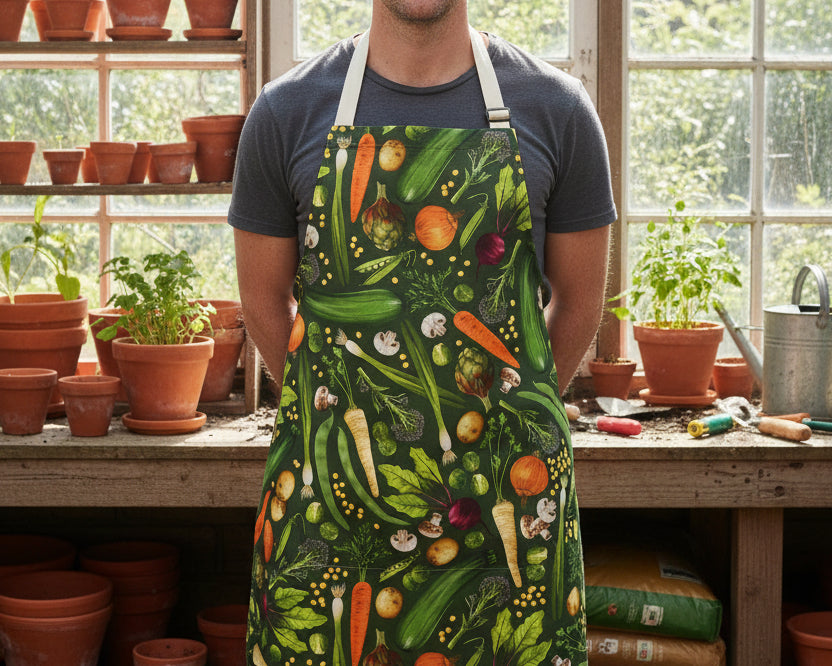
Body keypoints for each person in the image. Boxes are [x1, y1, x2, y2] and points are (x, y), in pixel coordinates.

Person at [229, 1, 615, 663]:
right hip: (333, 520)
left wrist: (512, 419)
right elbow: (263, 303)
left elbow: (580, 306)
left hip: (506, 522)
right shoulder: (285, 112)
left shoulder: (560, 110)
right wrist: (333, 412)